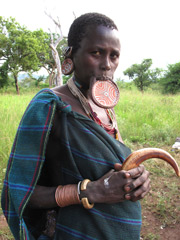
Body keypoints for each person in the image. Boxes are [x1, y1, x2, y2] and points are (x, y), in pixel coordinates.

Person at [1, 12, 150, 240]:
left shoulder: (105, 109)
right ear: (71, 55)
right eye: (96, 53)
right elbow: (19, 193)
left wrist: (136, 179)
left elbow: (111, 166)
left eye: (114, 56)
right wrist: (88, 191)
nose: (107, 65)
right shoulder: (49, 106)